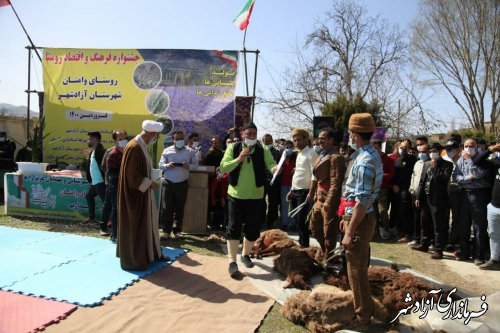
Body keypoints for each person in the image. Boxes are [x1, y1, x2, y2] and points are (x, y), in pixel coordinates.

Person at [340, 113, 383, 328]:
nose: (349, 135)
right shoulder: (367, 154)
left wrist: (349, 231)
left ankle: (362, 317)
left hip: (361, 218)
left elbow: (362, 202)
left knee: (355, 270)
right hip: (357, 217)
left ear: (355, 133)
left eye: (350, 131)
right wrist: (346, 219)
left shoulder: (365, 160)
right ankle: (365, 310)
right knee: (358, 267)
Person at [220, 122, 276, 277]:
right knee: (234, 228)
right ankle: (232, 261)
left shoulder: (262, 148)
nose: (252, 136)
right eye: (248, 133)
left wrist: (275, 168)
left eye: (254, 133)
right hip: (236, 195)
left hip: (257, 195)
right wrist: (238, 159)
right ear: (242, 134)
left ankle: (245, 254)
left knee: (253, 229)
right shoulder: (233, 147)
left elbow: (271, 163)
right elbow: (223, 167)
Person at [117, 120, 168, 270]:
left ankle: (152, 254)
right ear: (152, 134)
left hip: (143, 194)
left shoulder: (142, 146)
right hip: (135, 197)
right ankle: (135, 261)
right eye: (156, 135)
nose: (156, 138)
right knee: (136, 226)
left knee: (148, 225)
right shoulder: (134, 147)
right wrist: (150, 183)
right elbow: (131, 175)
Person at [452, 138, 491, 264]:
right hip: (464, 194)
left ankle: (478, 255)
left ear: (476, 146)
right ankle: (464, 252)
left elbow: (478, 174)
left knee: (479, 226)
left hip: (478, 195)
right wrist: (469, 178)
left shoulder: (482, 159)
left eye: (471, 145)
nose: (468, 148)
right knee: (463, 225)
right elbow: (456, 178)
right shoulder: (460, 160)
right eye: (466, 146)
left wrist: (469, 160)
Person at [413, 143, 453, 259]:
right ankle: (424, 244)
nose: (432, 153)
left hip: (438, 199)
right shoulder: (426, 163)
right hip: (425, 197)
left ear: (440, 151)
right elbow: (422, 181)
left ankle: (438, 249)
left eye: (434, 150)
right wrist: (418, 197)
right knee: (424, 221)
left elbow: (444, 180)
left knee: (438, 224)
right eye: (431, 151)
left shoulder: (447, 165)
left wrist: (435, 168)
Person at [310, 128, 346, 255]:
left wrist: (329, 202)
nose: (320, 141)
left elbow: (336, 183)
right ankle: (326, 251)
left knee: (328, 230)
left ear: (331, 139)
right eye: (319, 138)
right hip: (319, 197)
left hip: (329, 199)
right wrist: (315, 194)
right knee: (314, 227)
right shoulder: (322, 154)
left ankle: (329, 256)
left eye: (323, 138)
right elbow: (318, 178)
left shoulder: (336, 157)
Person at [159, 130, 198, 239]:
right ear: (173, 140)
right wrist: (167, 165)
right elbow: (160, 165)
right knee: (167, 208)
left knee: (180, 208)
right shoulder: (167, 151)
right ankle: (166, 231)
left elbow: (196, 166)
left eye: (181, 138)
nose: (179, 140)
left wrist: (188, 166)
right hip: (168, 183)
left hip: (182, 183)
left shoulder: (190, 151)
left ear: (184, 139)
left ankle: (177, 231)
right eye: (177, 139)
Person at [288, 128, 318, 247]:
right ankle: (301, 245)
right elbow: (297, 174)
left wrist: (311, 192)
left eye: (299, 140)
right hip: (295, 191)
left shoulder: (311, 153)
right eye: (294, 140)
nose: (296, 143)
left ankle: (305, 247)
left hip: (305, 192)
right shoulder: (299, 153)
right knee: (297, 221)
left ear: (306, 139)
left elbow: (315, 174)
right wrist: (291, 190)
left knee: (302, 222)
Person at [473, 142, 500, 270]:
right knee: (494, 234)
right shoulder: (497, 163)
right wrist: (490, 150)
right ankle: (494, 260)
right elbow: (477, 161)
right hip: (494, 206)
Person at [83, 131, 108, 235]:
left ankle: (108, 221)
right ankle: (91, 217)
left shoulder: (101, 151)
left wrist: (107, 181)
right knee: (89, 196)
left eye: (89, 138)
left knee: (106, 204)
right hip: (94, 182)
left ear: (95, 139)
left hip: (101, 182)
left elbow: (105, 167)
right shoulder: (93, 151)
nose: (88, 140)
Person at [106, 130, 128, 243]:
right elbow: (110, 173)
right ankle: (114, 234)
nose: (123, 141)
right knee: (116, 209)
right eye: (120, 139)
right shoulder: (113, 154)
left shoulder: (128, 153)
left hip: (126, 185)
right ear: (115, 141)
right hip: (115, 185)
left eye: (125, 138)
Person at [393, 139, 417, 243]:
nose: (403, 150)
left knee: (406, 212)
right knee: (397, 212)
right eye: (401, 148)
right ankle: (400, 231)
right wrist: (394, 184)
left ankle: (408, 234)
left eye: (405, 148)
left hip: (407, 189)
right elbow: (395, 173)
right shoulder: (397, 160)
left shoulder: (413, 159)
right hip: (397, 189)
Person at [371, 140, 395, 240]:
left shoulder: (387, 159)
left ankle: (386, 230)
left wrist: (380, 176)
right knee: (373, 212)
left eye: (376, 148)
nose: (374, 150)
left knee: (383, 211)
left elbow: (392, 174)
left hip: (383, 189)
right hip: (372, 189)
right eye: (373, 148)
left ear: (380, 148)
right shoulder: (370, 158)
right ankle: (374, 231)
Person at [408, 143, 430, 247]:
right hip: (414, 193)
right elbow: (413, 176)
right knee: (416, 218)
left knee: (424, 219)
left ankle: (424, 240)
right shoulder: (417, 163)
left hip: (425, 196)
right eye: (420, 152)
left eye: (424, 151)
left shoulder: (430, 163)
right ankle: (416, 238)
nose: (421, 154)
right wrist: (411, 188)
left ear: (428, 152)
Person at [262, 133, 281, 229]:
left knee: (273, 203)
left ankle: (271, 222)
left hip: (273, 181)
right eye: (265, 140)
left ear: (271, 141)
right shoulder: (260, 151)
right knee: (261, 202)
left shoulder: (277, 152)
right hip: (262, 180)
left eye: (268, 140)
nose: (267, 142)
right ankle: (261, 221)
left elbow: (279, 166)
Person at [280, 140, 296, 230]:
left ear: (293, 148)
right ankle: (284, 223)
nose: (288, 149)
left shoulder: (297, 157)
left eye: (290, 147)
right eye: (286, 147)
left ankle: (293, 224)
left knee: (293, 205)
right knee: (284, 205)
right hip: (284, 184)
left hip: (294, 185)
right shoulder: (282, 157)